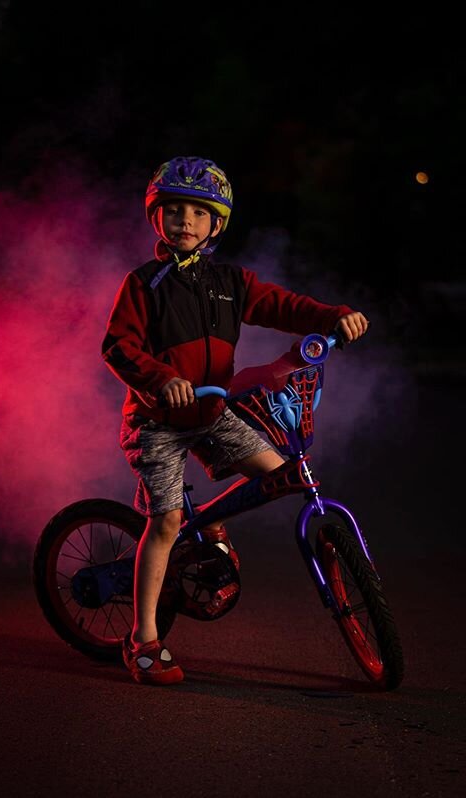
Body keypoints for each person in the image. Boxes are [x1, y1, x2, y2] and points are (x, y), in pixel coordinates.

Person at [102, 156, 369, 685]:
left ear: (216, 224)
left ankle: (205, 523)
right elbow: (118, 346)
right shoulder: (144, 284)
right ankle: (145, 642)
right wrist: (160, 380)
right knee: (165, 523)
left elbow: (284, 306)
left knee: (277, 475)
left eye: (198, 214)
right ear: (157, 219)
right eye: (173, 211)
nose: (185, 222)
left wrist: (332, 316)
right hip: (157, 420)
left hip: (211, 413)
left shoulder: (230, 281)